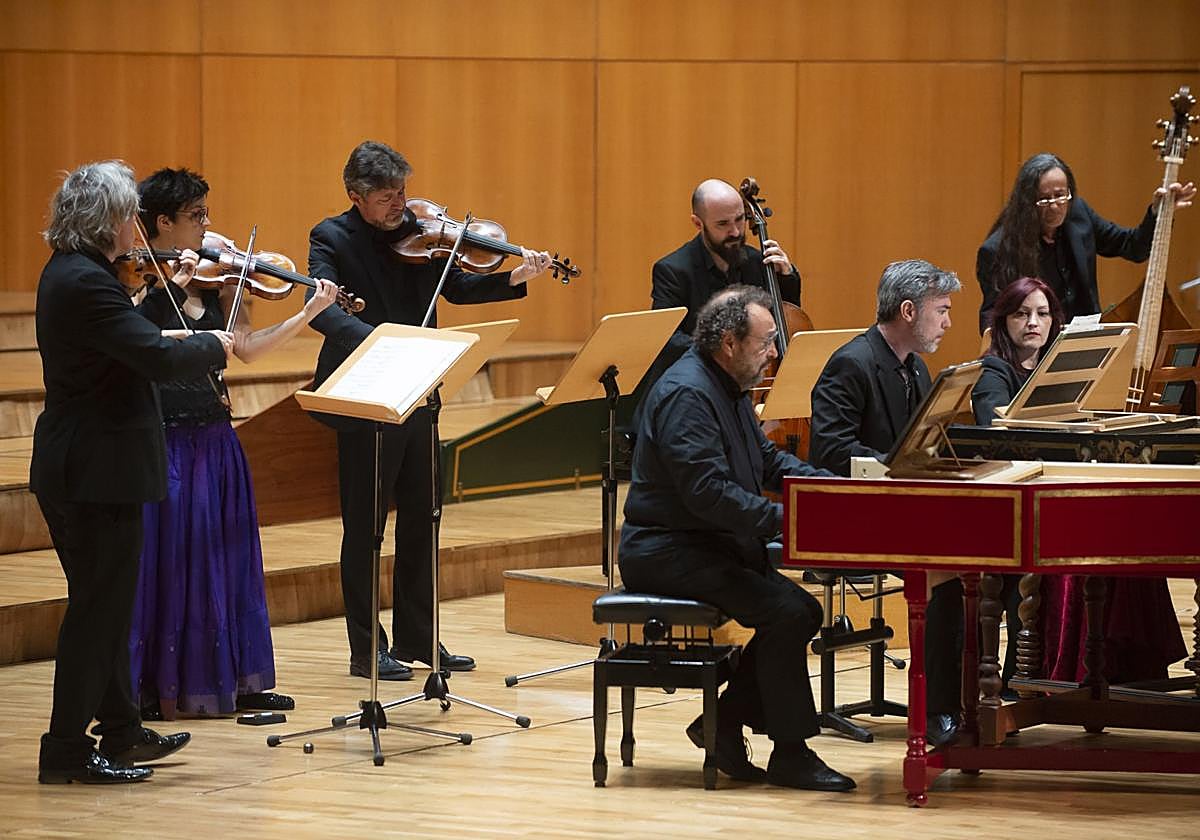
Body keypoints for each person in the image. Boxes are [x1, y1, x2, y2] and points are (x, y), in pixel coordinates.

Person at [307, 140, 553, 680]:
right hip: (366, 391)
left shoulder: (421, 233)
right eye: (387, 196)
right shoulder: (331, 238)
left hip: (420, 389)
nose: (400, 204)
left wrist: (514, 277)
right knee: (365, 527)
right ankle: (365, 647)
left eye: (403, 191)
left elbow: (457, 287)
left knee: (423, 519)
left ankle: (421, 639)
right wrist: (380, 343)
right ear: (356, 196)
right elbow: (321, 312)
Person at [31, 160, 232, 783]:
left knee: (106, 606)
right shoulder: (85, 284)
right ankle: (65, 749)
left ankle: (121, 730)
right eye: (127, 216)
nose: (135, 228)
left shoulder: (79, 272)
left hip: (90, 464)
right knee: (97, 611)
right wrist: (219, 343)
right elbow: (151, 356)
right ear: (106, 221)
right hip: (93, 471)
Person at [619, 285, 855, 792]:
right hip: (666, 549)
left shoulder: (724, 386)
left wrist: (828, 489)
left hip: (705, 543)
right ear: (728, 342)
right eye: (766, 342)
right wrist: (786, 521)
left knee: (799, 612)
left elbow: (767, 461)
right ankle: (789, 753)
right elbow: (708, 493)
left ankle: (722, 723)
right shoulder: (688, 394)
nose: (774, 353)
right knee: (790, 612)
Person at [128, 168, 339, 719]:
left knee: (228, 559)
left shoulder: (214, 286)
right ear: (162, 224)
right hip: (170, 445)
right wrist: (173, 284)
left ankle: (236, 678)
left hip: (217, 441)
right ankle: (165, 685)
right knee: (177, 564)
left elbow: (242, 349)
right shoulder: (133, 284)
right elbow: (128, 336)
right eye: (197, 216)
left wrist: (307, 312)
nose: (208, 227)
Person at [973, 276, 1186, 686]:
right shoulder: (992, 371)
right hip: (1014, 505)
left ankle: (1120, 668)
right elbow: (995, 429)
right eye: (1022, 314)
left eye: (1042, 313)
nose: (1033, 322)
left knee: (1126, 541)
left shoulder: (1063, 367)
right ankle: (1038, 674)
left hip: (1053, 493)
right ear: (1003, 322)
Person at [808, 258, 964, 747]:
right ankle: (937, 708)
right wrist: (900, 466)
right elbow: (830, 450)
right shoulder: (851, 364)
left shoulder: (913, 367)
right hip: (852, 515)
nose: (948, 321)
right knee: (947, 580)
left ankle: (967, 695)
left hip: (895, 509)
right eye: (941, 310)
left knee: (978, 563)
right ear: (908, 311)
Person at [976, 152, 1196, 332]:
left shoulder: (1079, 214)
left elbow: (1132, 247)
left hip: (1086, 343)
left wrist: (1159, 213)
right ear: (1027, 202)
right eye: (1044, 199)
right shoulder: (997, 250)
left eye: (1061, 195)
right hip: (1033, 356)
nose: (1054, 206)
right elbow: (993, 318)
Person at [637, 179, 801, 407]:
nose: (735, 231)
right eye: (723, 224)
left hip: (749, 391)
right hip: (695, 390)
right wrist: (726, 352)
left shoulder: (757, 262)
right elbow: (668, 339)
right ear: (698, 223)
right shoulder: (673, 270)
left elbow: (786, 320)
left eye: (740, 219)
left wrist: (786, 277)